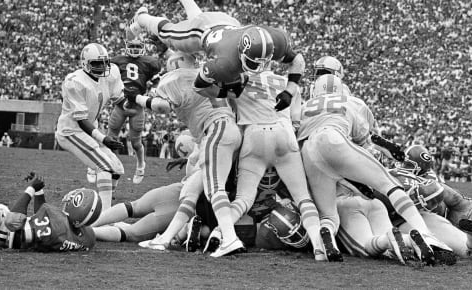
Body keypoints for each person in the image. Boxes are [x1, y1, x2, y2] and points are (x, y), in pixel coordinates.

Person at [298, 73, 455, 265]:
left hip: (309, 153)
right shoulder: (352, 102)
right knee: (389, 186)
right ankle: (424, 233)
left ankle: (325, 239)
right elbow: (367, 143)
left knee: (330, 217)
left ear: (314, 91)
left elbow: (293, 147)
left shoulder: (303, 108)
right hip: (337, 142)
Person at [129, 50, 243, 258]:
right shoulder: (208, 74)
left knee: (213, 189)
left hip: (215, 130)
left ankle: (230, 237)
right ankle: (165, 239)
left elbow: (162, 106)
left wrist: (139, 98)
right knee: (192, 190)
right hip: (228, 130)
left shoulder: (177, 78)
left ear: (177, 62)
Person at [132, 0, 305, 112]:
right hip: (200, 32)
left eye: (263, 62)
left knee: (198, 18)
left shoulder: (275, 40)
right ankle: (142, 17)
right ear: (242, 53)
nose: (258, 68)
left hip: (228, 23)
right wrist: (225, 93)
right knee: (169, 35)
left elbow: (297, 59)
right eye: (253, 63)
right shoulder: (225, 64)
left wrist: (289, 91)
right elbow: (199, 86)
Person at [223, 70, 329, 261]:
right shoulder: (287, 82)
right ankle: (319, 246)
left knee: (241, 199)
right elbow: (297, 122)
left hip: (253, 136)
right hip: (284, 134)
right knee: (303, 198)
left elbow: (231, 114)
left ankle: (218, 232)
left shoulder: (240, 80)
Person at [55, 43, 125, 210]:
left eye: (104, 63)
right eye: (96, 63)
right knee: (105, 167)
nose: (102, 67)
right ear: (85, 63)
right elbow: (81, 120)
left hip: (90, 129)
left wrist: (141, 103)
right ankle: (105, 216)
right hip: (71, 132)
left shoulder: (111, 73)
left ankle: (99, 205)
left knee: (117, 169)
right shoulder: (75, 81)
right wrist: (104, 139)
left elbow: (121, 102)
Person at [107, 30, 162, 184]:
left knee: (136, 142)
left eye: (138, 46)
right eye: (133, 46)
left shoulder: (149, 62)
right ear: (126, 46)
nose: (136, 49)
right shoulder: (117, 60)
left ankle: (140, 164)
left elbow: (157, 81)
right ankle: (111, 166)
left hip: (137, 105)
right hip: (120, 104)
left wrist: (152, 90)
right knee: (110, 138)